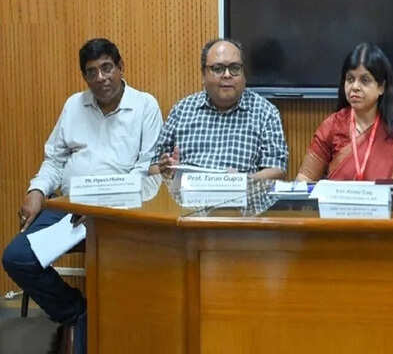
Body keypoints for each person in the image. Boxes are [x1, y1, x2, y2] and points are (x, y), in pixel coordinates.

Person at [2, 38, 163, 354]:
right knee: (16, 257)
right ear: (85, 77)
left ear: (121, 67)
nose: (101, 78)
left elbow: (147, 170)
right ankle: (76, 312)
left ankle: (106, 326)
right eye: (92, 72)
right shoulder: (74, 105)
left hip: (121, 214)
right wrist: (37, 190)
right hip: (70, 208)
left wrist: (105, 207)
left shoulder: (145, 106)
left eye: (107, 68)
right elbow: (54, 159)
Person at [296, 43, 393, 183]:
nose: (355, 87)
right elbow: (304, 180)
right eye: (350, 79)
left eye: (364, 80)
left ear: (381, 87)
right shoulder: (332, 126)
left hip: (390, 200)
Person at [152, 39, 288, 179]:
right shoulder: (181, 110)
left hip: (242, 192)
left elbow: (277, 168)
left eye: (235, 68)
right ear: (203, 75)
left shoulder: (265, 112)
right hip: (188, 192)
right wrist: (167, 170)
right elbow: (154, 166)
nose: (227, 75)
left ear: (244, 75)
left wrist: (241, 182)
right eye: (218, 69)